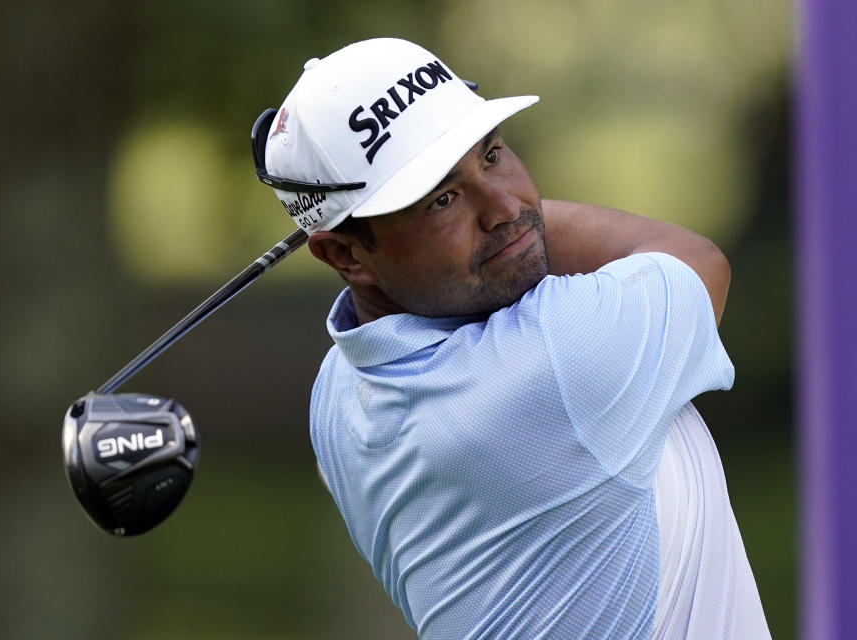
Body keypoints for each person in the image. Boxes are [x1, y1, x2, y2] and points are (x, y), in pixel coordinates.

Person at [253, 38, 771, 639]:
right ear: (346, 254)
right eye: (442, 198)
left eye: (492, 155)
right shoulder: (553, 363)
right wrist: (515, 221)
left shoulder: (339, 395)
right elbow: (695, 259)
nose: (504, 206)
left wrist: (469, 208)